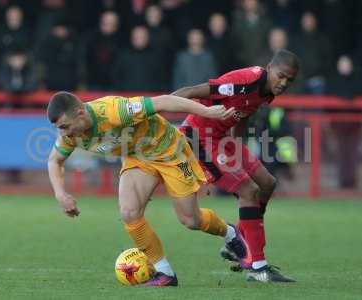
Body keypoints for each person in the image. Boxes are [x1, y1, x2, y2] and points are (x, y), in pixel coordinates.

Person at [47, 92, 249, 287]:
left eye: (65, 126)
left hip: (171, 151)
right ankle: (165, 273)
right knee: (129, 212)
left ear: (80, 113)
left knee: (191, 220)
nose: (63, 133)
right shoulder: (69, 136)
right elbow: (54, 161)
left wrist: (208, 112)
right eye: (59, 128)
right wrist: (60, 194)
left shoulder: (114, 111)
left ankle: (230, 233)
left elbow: (163, 102)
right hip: (139, 157)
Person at [172, 49, 299, 283]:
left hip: (223, 140)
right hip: (199, 138)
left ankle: (239, 241)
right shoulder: (244, 82)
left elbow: (243, 114)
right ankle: (258, 268)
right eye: (281, 76)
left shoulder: (266, 91)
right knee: (249, 191)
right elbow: (191, 92)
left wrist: (237, 150)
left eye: (289, 80)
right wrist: (159, 112)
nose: (283, 83)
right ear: (269, 67)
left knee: (268, 183)